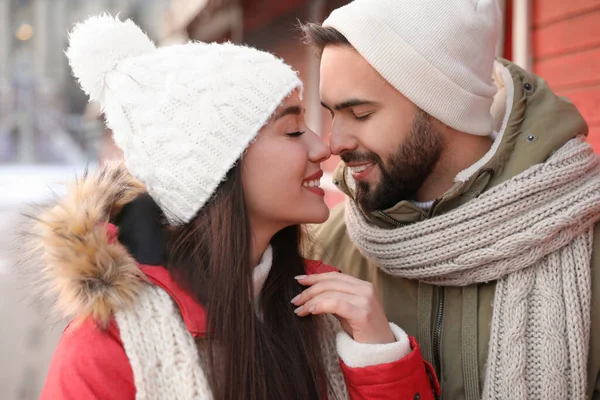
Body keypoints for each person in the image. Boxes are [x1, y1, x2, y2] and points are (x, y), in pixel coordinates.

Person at [32, 15, 440, 400]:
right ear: (215, 169)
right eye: (294, 130)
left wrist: (377, 355)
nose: (323, 147)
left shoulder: (328, 309)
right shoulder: (105, 348)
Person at [302, 0, 600, 399]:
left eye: (360, 114)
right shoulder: (326, 251)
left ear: (442, 106)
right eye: (332, 114)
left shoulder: (585, 237)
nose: (334, 142)